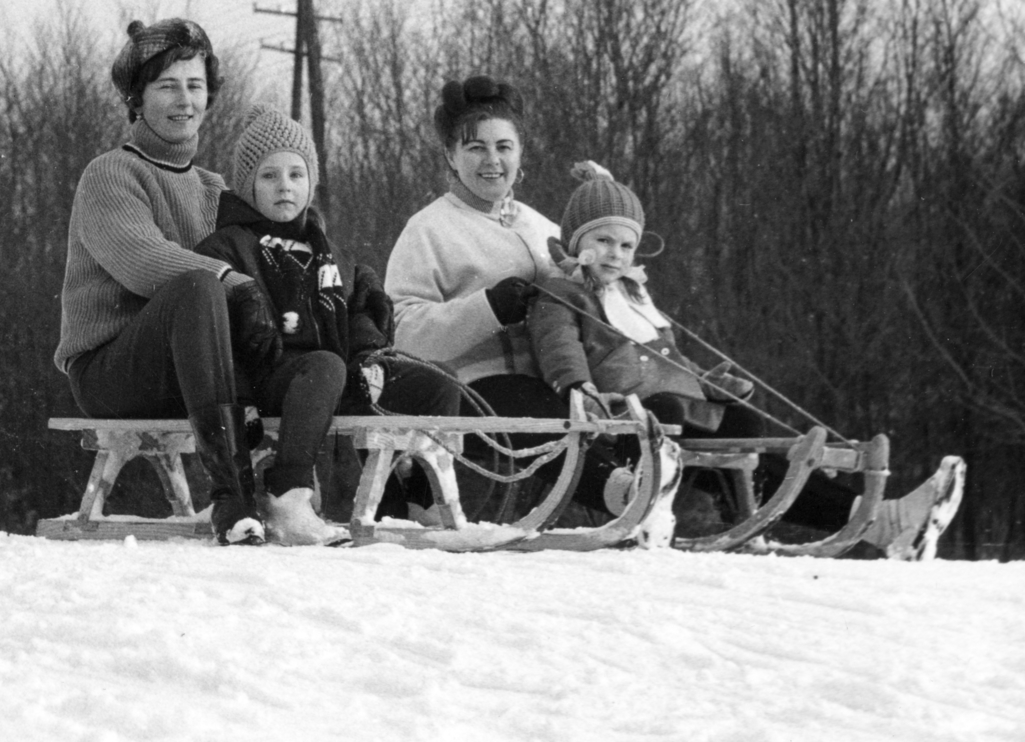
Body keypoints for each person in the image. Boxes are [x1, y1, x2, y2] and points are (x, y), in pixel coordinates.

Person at [528, 161, 966, 559]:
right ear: (575, 240)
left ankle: (875, 521)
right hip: (626, 417)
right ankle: (641, 505)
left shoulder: (635, 298)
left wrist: (708, 381)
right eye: (602, 240)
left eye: (626, 245)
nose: (615, 254)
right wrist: (577, 388)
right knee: (665, 412)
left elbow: (671, 359)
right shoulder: (561, 292)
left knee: (743, 427)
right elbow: (559, 345)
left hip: (679, 406)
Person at [56, 19, 279, 546]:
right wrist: (230, 279)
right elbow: (141, 260)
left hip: (195, 372)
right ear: (136, 99)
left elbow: (262, 266)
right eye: (168, 86)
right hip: (112, 368)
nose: (185, 100)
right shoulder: (111, 173)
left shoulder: (213, 188)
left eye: (195, 86)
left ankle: (295, 495)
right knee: (200, 286)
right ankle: (232, 497)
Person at [193, 105, 461, 545]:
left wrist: (370, 351)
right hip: (272, 379)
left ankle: (415, 497)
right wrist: (241, 401)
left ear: (310, 182)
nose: (285, 187)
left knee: (438, 381)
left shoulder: (325, 249)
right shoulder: (226, 248)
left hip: (335, 375)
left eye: (296, 175)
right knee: (323, 366)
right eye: (270, 176)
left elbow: (352, 315)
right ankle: (289, 494)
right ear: (247, 184)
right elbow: (214, 336)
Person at [385, 76, 632, 518]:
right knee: (538, 410)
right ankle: (621, 491)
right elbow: (401, 334)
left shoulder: (541, 226)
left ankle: (682, 477)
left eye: (503, 146)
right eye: (475, 148)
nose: (492, 160)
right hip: (471, 388)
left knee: (628, 402)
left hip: (559, 375)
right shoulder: (429, 229)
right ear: (450, 155)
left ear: (520, 153)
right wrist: (489, 308)